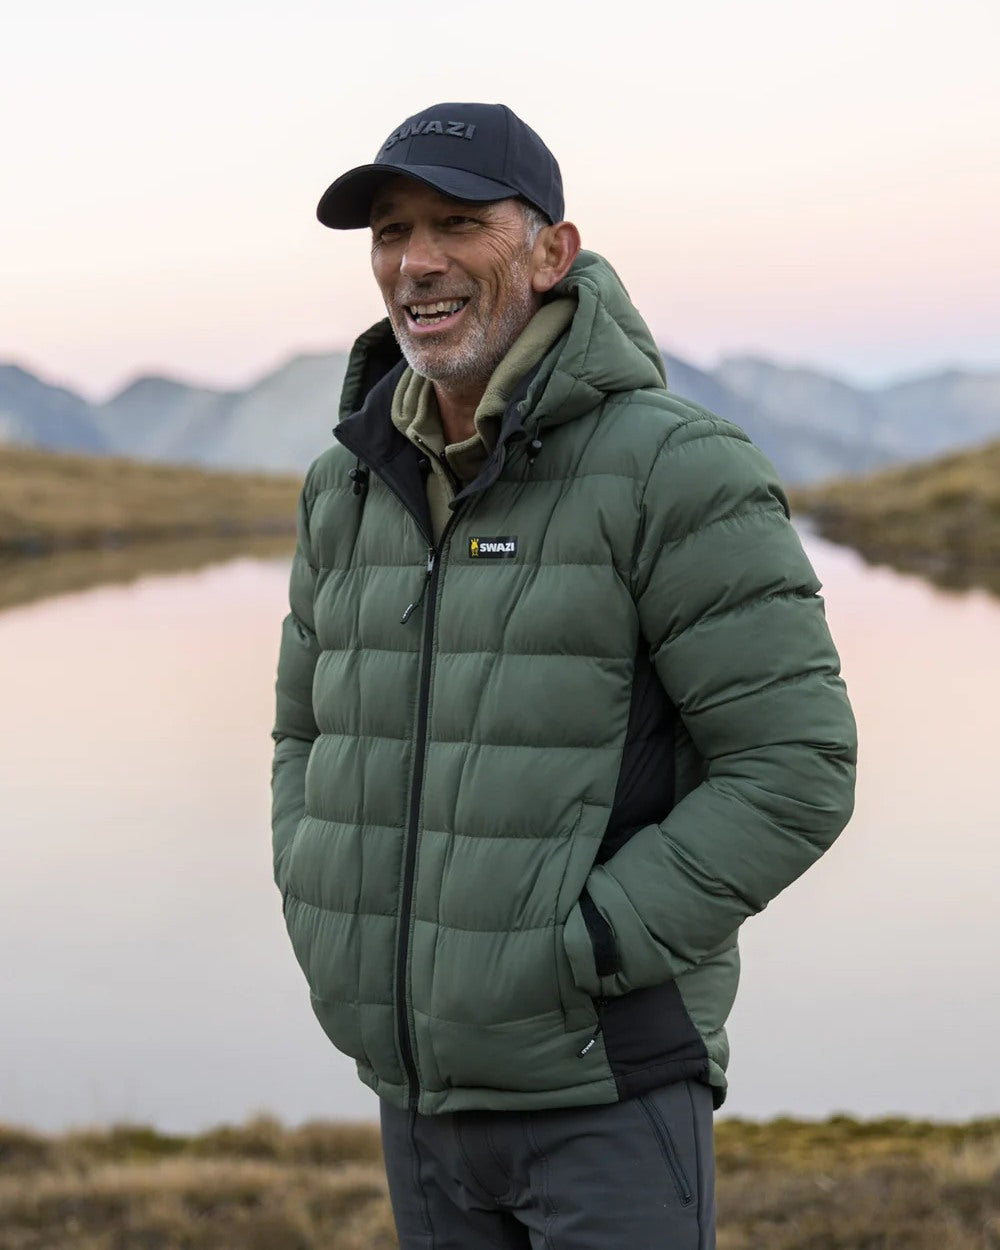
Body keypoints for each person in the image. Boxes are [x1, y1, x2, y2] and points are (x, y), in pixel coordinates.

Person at [271, 101, 857, 1249]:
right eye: (391, 232)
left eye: (457, 223)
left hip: (605, 1090)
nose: (416, 261)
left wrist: (584, 946)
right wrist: (317, 896)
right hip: (416, 1092)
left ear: (552, 252)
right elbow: (302, 735)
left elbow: (797, 767)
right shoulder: (343, 487)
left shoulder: (674, 466)